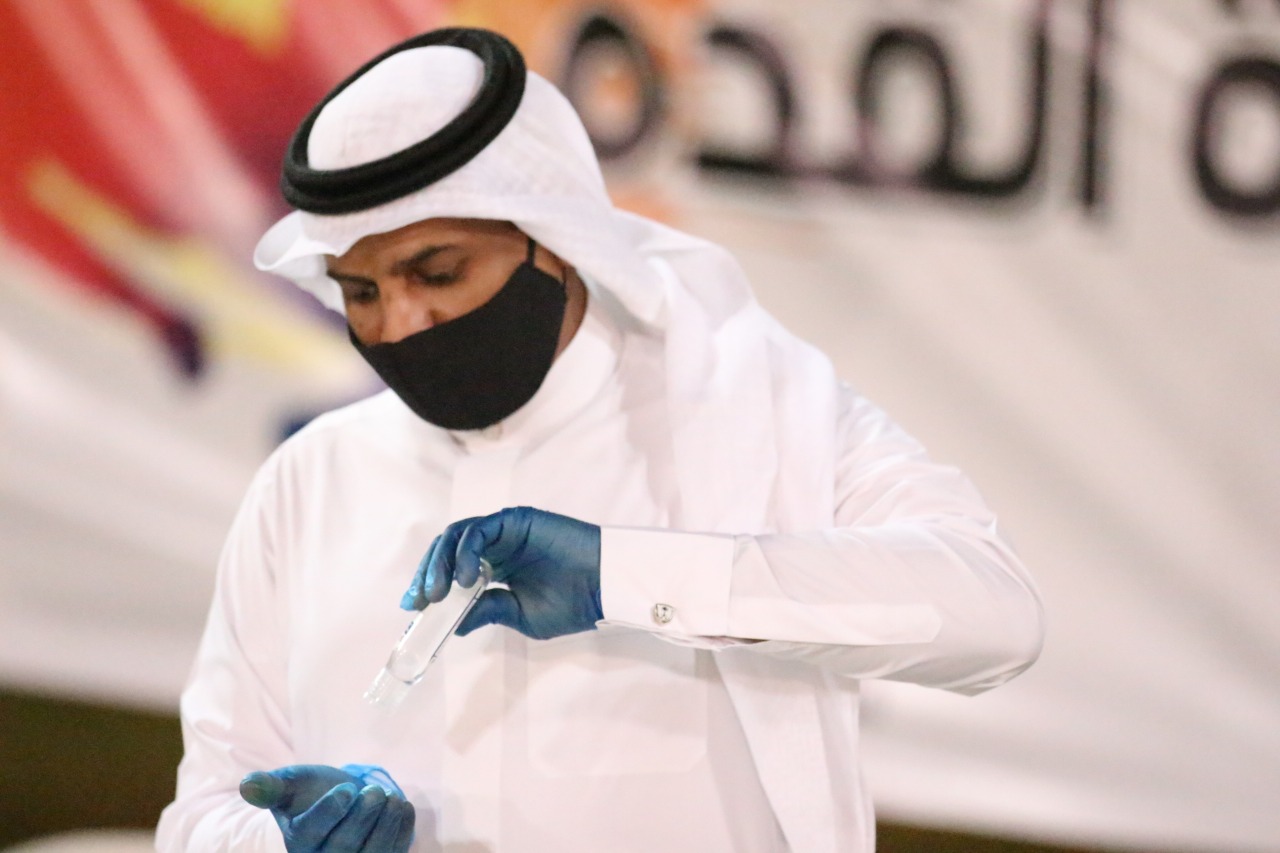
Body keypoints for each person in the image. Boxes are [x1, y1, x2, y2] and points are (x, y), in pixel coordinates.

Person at [156, 27, 1044, 853]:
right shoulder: (312, 479)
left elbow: (996, 614)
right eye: (361, 292)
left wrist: (631, 576)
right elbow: (203, 812)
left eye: (439, 271)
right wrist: (280, 843)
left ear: (552, 238)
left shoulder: (756, 417)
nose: (401, 322)